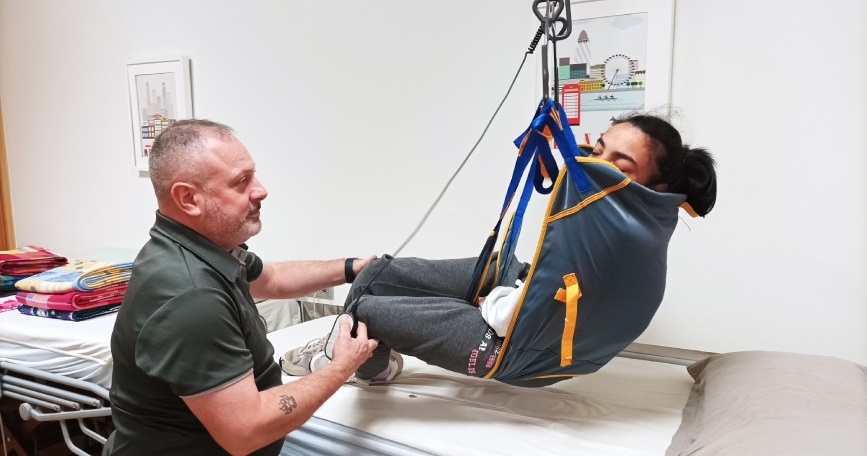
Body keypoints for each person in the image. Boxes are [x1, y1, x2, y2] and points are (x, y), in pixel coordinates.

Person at [282, 112, 717, 385]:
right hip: (532, 303)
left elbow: (515, 316)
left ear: (654, 187)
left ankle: (373, 367)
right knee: (375, 272)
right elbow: (552, 282)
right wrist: (507, 287)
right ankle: (360, 338)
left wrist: (494, 300)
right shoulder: (634, 216)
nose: (592, 165)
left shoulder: (618, 240)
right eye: (597, 149)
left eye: (616, 164)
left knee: (366, 312)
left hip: (523, 349)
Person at [105, 119, 382, 456]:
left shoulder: (199, 247)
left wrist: (352, 269)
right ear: (188, 199)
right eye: (241, 182)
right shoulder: (192, 299)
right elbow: (245, 432)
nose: (261, 190)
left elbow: (273, 279)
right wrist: (342, 366)